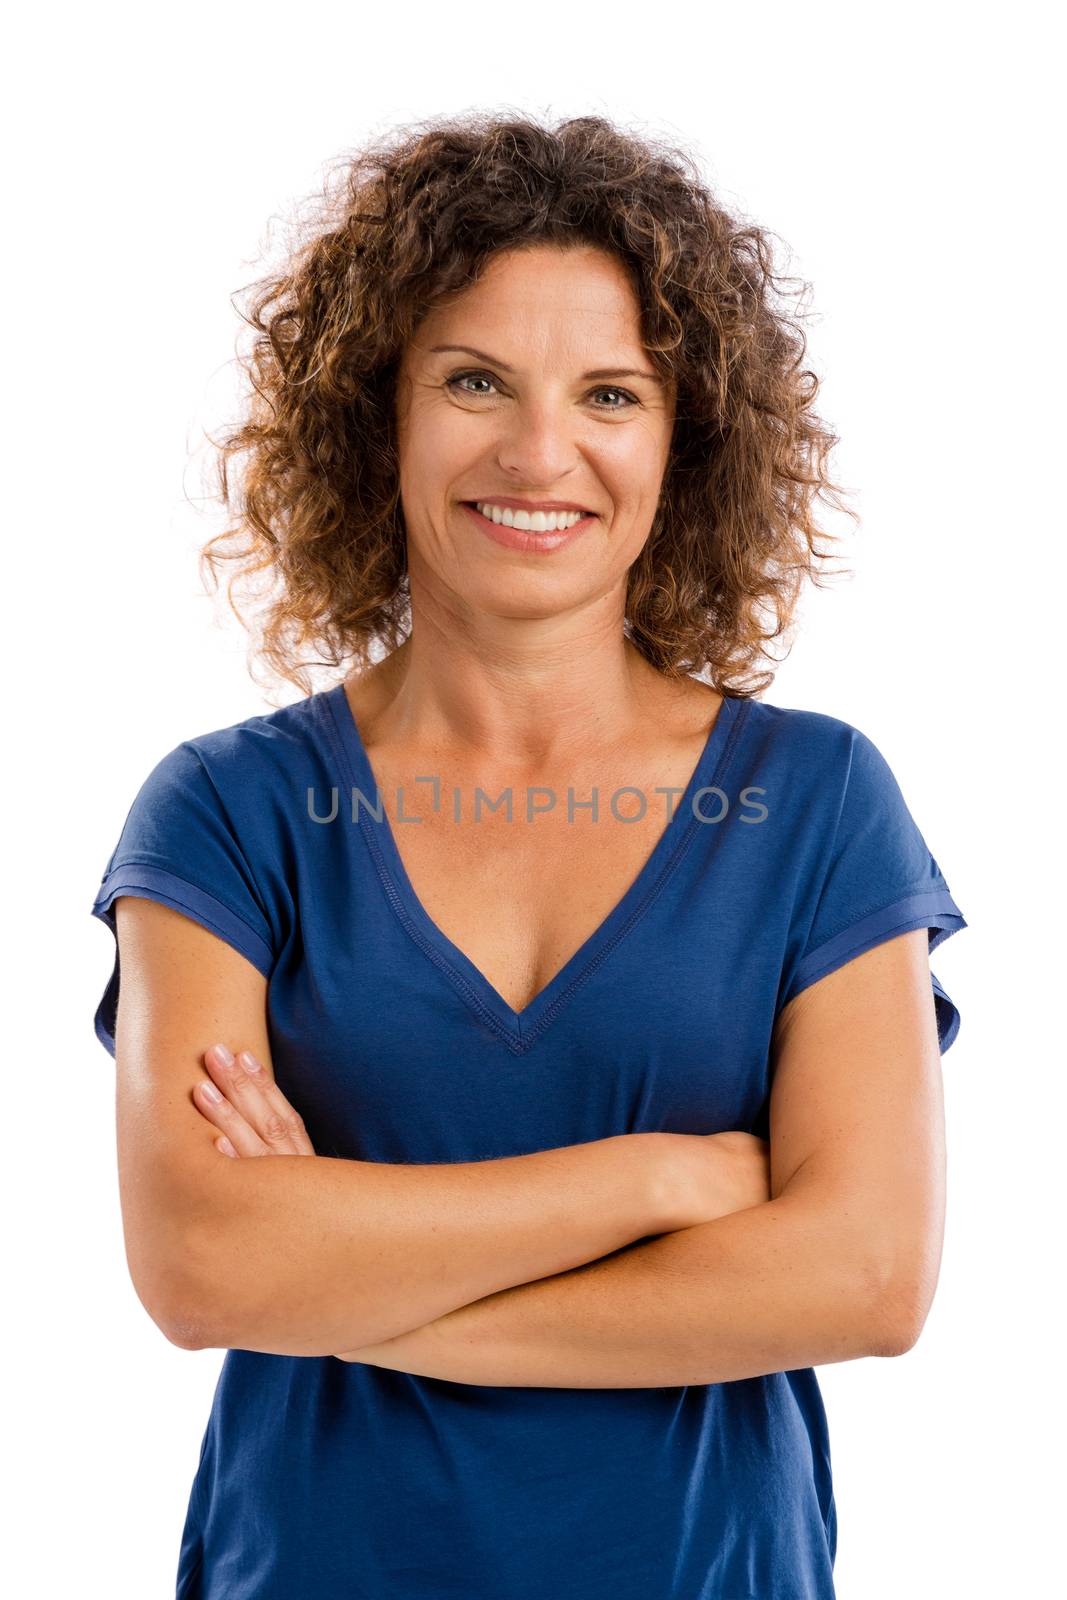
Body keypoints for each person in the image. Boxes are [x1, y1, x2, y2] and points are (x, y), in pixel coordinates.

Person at [89, 112, 967, 1600]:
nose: (539, 452)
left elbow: (868, 1279)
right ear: (383, 414)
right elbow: (201, 1264)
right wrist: (659, 1179)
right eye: (474, 380)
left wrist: (361, 1298)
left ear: (683, 442)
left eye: (609, 393)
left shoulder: (817, 803)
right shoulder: (228, 815)